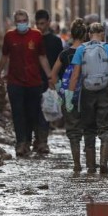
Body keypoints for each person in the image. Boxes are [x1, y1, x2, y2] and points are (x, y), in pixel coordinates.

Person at [67, 22, 108, 174]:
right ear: (103, 34)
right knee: (106, 127)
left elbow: (75, 75)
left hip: (87, 92)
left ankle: (91, 166)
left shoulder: (81, 49)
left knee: (89, 129)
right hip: (106, 90)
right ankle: (103, 162)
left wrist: (69, 95)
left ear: (88, 34)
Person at [0, 9, 53, 157]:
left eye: (24, 21)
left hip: (34, 82)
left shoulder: (36, 36)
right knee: (18, 113)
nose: (21, 24)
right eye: (19, 21)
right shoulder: (9, 36)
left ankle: (36, 141)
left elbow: (42, 57)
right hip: (15, 81)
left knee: (33, 113)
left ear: (28, 21)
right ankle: (21, 143)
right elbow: (4, 56)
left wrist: (50, 76)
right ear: (15, 23)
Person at [49, 18, 88, 172]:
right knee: (89, 129)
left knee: (73, 131)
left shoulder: (64, 54)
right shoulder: (88, 52)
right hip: (88, 95)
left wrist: (60, 90)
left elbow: (53, 75)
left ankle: (77, 163)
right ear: (85, 35)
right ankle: (92, 163)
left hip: (68, 97)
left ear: (71, 34)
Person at [33, 9, 64, 153]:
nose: (40, 26)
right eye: (38, 24)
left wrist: (56, 80)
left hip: (48, 81)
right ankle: (35, 139)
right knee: (33, 111)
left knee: (45, 111)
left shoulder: (55, 41)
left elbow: (60, 61)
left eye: (43, 23)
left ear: (48, 23)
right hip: (32, 79)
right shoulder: (32, 39)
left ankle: (42, 141)